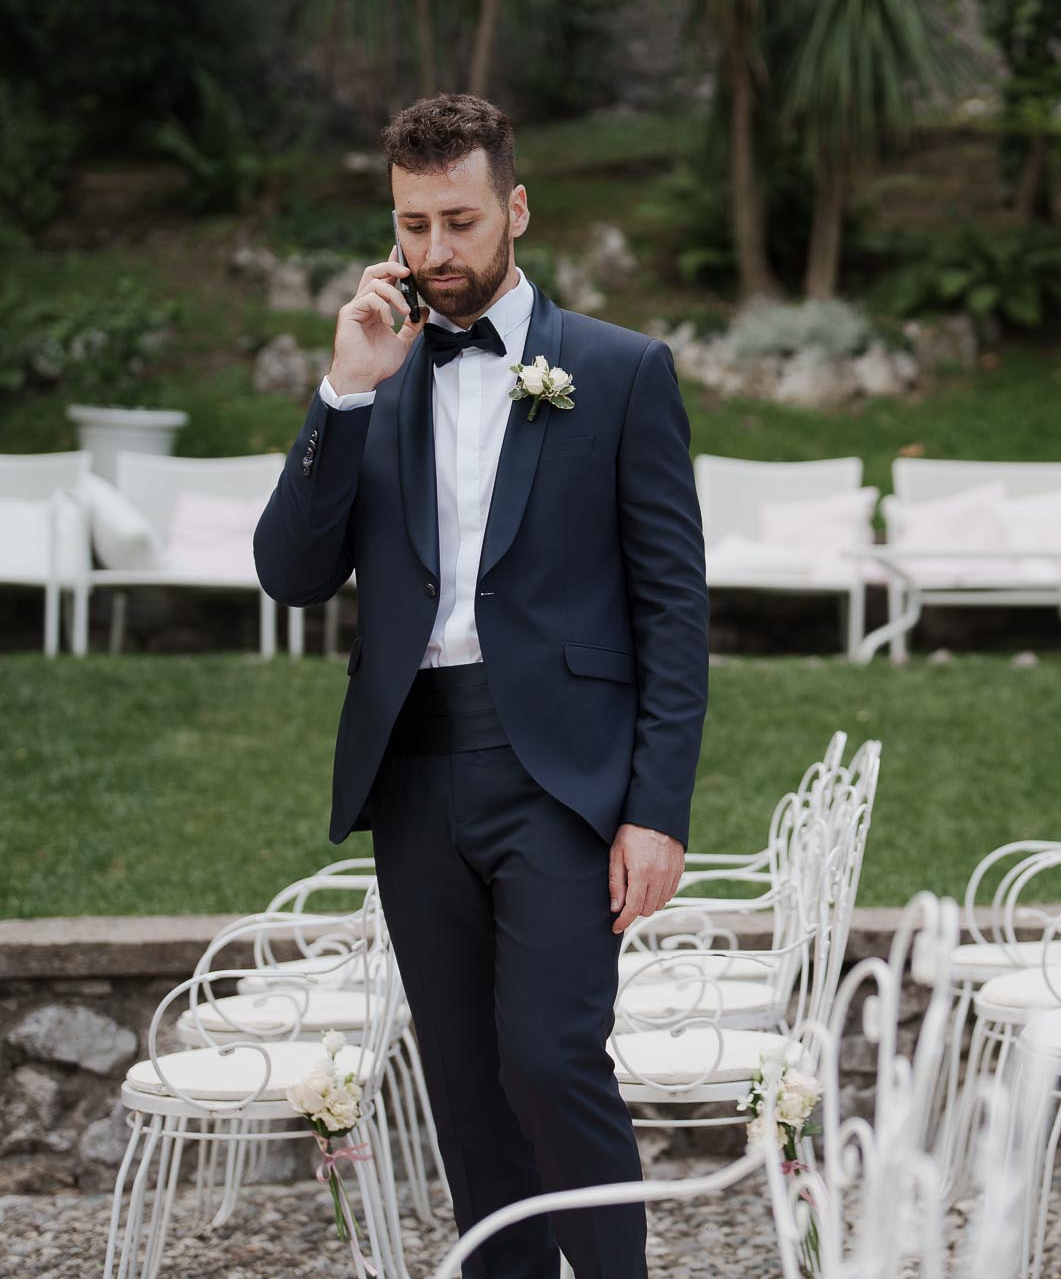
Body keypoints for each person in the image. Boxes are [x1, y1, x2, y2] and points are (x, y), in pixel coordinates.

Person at [254, 93, 708, 1279]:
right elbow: (291, 574)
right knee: (463, 1082)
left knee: (548, 1059)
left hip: (559, 775)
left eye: (458, 221)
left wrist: (656, 808)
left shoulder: (618, 370)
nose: (435, 251)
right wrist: (344, 390)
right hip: (414, 768)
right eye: (413, 225)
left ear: (516, 208)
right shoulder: (376, 370)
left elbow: (672, 610)